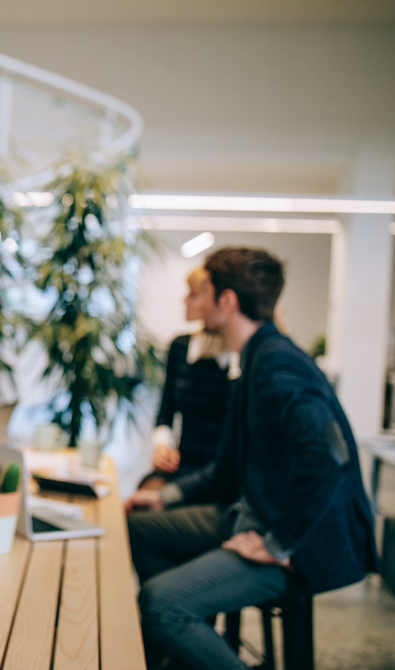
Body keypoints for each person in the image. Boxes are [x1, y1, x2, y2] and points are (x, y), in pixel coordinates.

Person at [125, 247, 377, 670]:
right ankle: (186, 648)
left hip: (297, 544)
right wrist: (166, 496)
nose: (195, 302)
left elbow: (330, 454)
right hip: (249, 513)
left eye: (202, 292)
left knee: (160, 602)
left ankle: (181, 626)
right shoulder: (257, 356)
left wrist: (280, 542)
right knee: (139, 527)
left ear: (227, 301)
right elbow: (226, 471)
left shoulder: (277, 364)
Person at [138, 268, 237, 492]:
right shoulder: (181, 346)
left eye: (193, 294)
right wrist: (162, 447)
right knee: (141, 498)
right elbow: (166, 410)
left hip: (217, 475)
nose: (184, 300)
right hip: (180, 465)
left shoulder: (237, 358)